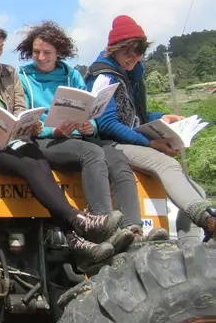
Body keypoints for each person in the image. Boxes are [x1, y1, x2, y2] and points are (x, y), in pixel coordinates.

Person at [0, 21, 123, 268]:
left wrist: (23, 122)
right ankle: (78, 224)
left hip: (12, 138)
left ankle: (77, 239)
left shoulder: (9, 74)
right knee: (28, 165)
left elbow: (19, 108)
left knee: (37, 159)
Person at [16, 21, 167, 246]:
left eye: (47, 52)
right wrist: (53, 130)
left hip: (76, 136)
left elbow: (90, 112)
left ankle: (133, 229)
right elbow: (27, 122)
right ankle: (102, 225)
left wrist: (89, 127)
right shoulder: (23, 78)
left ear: (59, 52)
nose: (41, 57)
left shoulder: (72, 75)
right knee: (91, 152)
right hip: (45, 140)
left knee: (118, 159)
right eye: (36, 52)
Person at [85, 14, 215, 242]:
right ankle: (208, 221)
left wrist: (162, 118)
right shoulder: (104, 76)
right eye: (127, 53)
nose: (133, 58)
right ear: (113, 49)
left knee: (197, 191)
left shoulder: (129, 76)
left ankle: (194, 248)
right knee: (167, 163)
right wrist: (150, 143)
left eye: (138, 53)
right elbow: (106, 123)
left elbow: (134, 117)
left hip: (129, 139)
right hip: (112, 143)